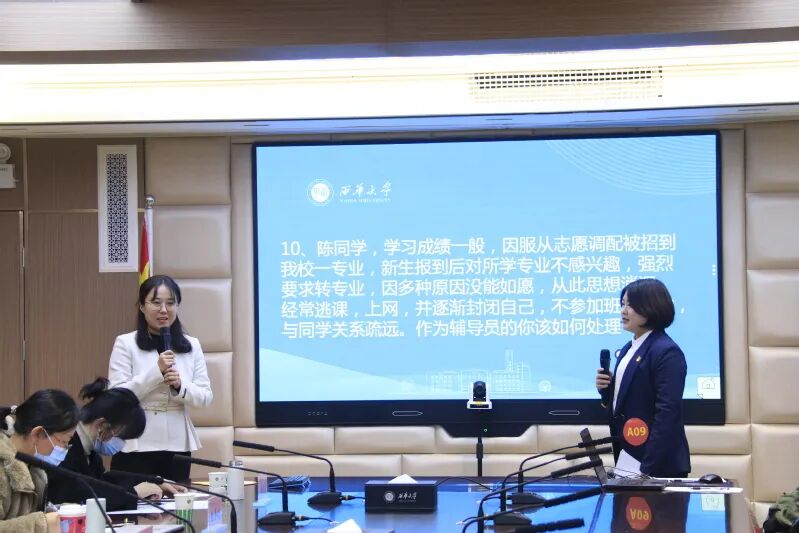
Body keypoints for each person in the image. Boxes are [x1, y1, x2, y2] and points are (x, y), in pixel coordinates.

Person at [108, 275, 213, 482]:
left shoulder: (191, 345)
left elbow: (205, 397)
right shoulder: (126, 343)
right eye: (156, 303)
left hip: (177, 444)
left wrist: (180, 386)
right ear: (142, 306)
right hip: (136, 441)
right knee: (135, 500)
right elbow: (116, 397)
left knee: (177, 500)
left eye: (170, 303)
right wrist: (157, 372)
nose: (164, 310)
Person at [595, 278, 691, 478]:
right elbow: (628, 400)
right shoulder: (628, 348)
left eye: (630, 305)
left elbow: (667, 413)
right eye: (622, 304)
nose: (623, 311)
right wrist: (607, 389)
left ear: (651, 307)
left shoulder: (666, 351)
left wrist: (646, 468)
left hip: (656, 464)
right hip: (628, 456)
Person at [47, 378, 186, 511]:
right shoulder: (65, 446)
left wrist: (155, 481)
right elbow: (78, 495)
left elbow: (104, 481)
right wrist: (133, 493)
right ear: (102, 424)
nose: (121, 444)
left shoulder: (89, 449)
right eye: (120, 436)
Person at [0, 389, 79, 533]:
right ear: (37, 433)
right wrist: (41, 525)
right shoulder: (3, 468)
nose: (65, 449)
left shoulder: (33, 469)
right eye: (63, 442)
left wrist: (66, 514)